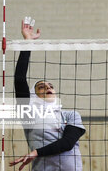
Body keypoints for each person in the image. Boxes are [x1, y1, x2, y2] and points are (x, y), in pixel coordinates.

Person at [9, 17, 86, 171]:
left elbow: (68, 143)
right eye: (41, 87)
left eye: (50, 86)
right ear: (34, 95)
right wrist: (28, 43)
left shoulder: (71, 115)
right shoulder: (29, 113)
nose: (48, 88)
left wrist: (36, 153)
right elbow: (19, 79)